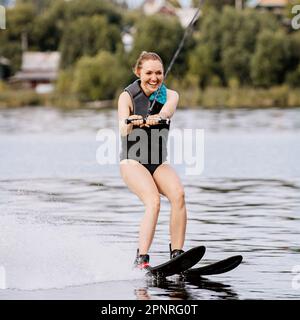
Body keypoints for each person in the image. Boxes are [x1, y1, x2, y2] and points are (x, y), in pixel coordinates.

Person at [118, 51, 187, 270]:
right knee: (153, 201)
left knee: (178, 195)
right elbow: (122, 127)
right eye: (149, 73)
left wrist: (159, 117)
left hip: (157, 162)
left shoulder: (171, 95)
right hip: (132, 161)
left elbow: (168, 111)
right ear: (138, 72)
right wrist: (132, 120)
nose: (154, 78)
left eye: (159, 73)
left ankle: (177, 253)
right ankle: (142, 258)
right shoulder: (127, 96)